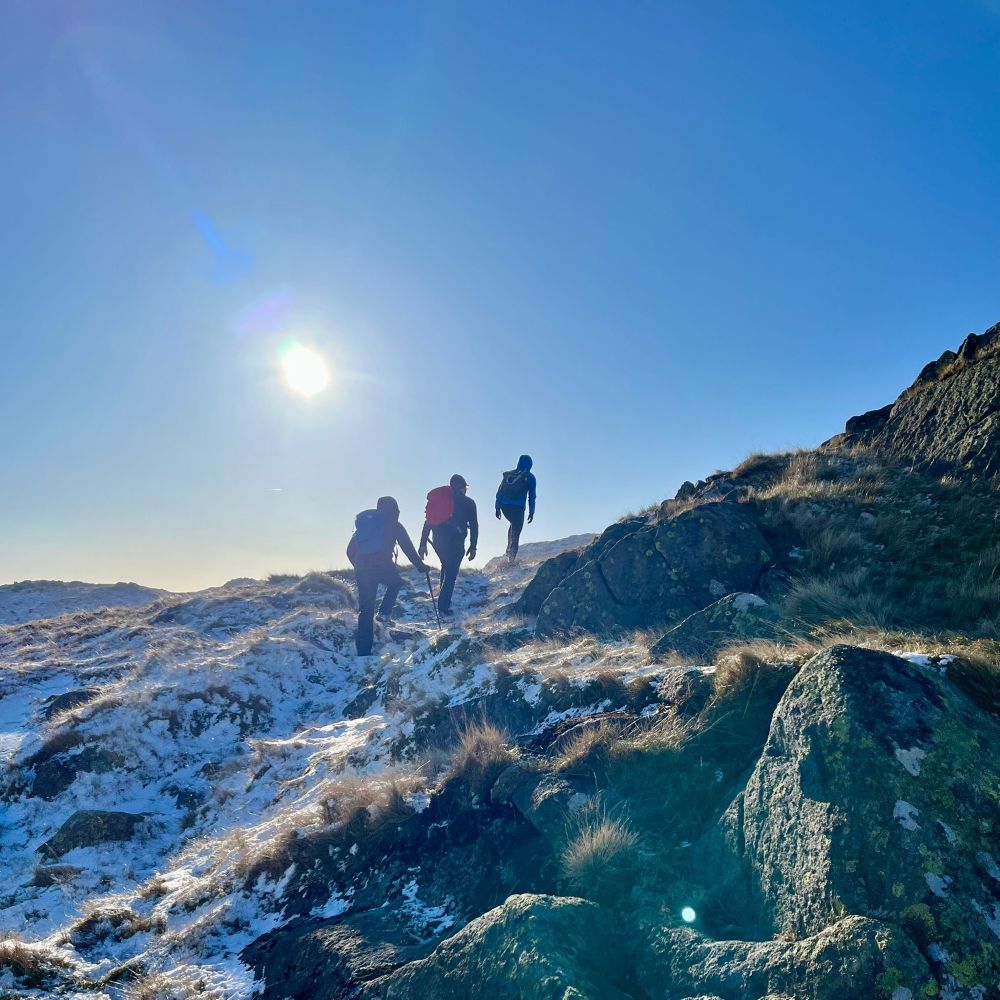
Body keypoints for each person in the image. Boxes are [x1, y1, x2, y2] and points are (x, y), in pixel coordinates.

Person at [347, 496, 431, 656]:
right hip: (382, 567)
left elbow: (349, 551)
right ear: (395, 511)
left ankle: (363, 652)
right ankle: (384, 614)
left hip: (362, 569)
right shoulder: (395, 525)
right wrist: (422, 567)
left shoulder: (365, 527)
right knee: (396, 583)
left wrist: (359, 568)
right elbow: (408, 549)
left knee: (366, 610)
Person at [419, 474, 478, 617]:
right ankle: (443, 608)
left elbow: (428, 522)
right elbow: (474, 525)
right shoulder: (468, 502)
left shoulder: (439, 500)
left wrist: (422, 544)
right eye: (466, 488)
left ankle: (443, 601)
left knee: (445, 565)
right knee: (451, 574)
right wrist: (473, 546)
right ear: (462, 488)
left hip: (438, 540)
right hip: (456, 541)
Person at [495, 454, 536, 563]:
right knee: (516, 531)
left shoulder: (508, 475)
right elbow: (532, 496)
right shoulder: (530, 478)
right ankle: (511, 560)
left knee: (513, 525)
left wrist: (497, 507)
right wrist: (532, 512)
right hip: (518, 508)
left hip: (505, 507)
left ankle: (508, 552)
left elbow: (500, 491)